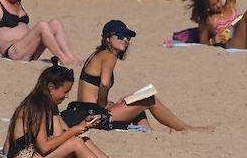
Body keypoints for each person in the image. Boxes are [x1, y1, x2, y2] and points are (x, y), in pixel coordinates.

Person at [4, 64, 145, 158]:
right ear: (51, 87)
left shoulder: (51, 106)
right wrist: (75, 130)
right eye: (65, 91)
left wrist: (83, 124)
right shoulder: (36, 107)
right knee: (76, 142)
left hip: (35, 156)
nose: (67, 96)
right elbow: (45, 146)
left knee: (84, 139)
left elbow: (61, 135)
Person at [74, 19, 208, 131]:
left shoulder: (97, 55)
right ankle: (188, 129)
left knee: (137, 102)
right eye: (120, 35)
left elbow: (93, 89)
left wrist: (108, 103)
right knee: (150, 99)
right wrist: (103, 105)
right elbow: (104, 83)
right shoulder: (109, 56)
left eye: (128, 36)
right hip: (93, 115)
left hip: (84, 111)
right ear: (108, 38)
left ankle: (149, 133)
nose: (125, 39)